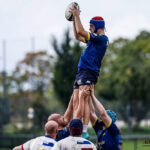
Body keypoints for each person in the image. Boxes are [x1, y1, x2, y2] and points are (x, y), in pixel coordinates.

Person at [70, 5, 109, 139]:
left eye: (91, 25)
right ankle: (74, 128)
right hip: (82, 72)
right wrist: (72, 19)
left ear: (98, 26)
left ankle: (84, 131)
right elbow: (77, 35)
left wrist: (77, 15)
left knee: (84, 100)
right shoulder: (94, 40)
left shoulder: (101, 38)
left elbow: (81, 32)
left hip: (89, 72)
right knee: (77, 101)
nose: (89, 28)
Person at [89, 85, 122, 150]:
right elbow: (91, 113)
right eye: (101, 116)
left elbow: (103, 114)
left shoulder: (113, 129)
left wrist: (92, 95)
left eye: (104, 116)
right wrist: (88, 96)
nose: (100, 116)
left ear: (110, 119)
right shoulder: (99, 128)